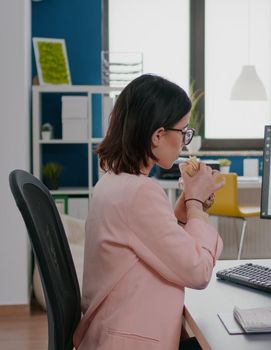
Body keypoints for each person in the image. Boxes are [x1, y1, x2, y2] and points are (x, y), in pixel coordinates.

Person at [73, 74, 224, 349]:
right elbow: (199, 271)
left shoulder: (112, 182)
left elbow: (149, 248)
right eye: (184, 132)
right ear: (158, 136)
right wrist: (196, 205)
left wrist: (178, 214)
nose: (185, 143)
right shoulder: (140, 193)